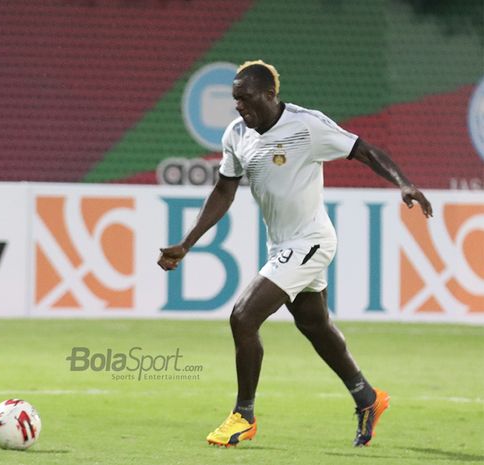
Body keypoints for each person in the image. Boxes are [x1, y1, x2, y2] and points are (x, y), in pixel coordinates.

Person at [157, 60, 433, 448]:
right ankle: (367, 398)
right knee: (314, 325)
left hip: (311, 241)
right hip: (282, 245)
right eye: (235, 99)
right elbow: (223, 190)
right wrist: (186, 244)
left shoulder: (307, 125)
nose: (239, 106)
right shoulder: (237, 134)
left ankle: (243, 415)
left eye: (246, 98)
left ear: (270, 95)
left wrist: (404, 184)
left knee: (243, 316)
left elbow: (364, 150)